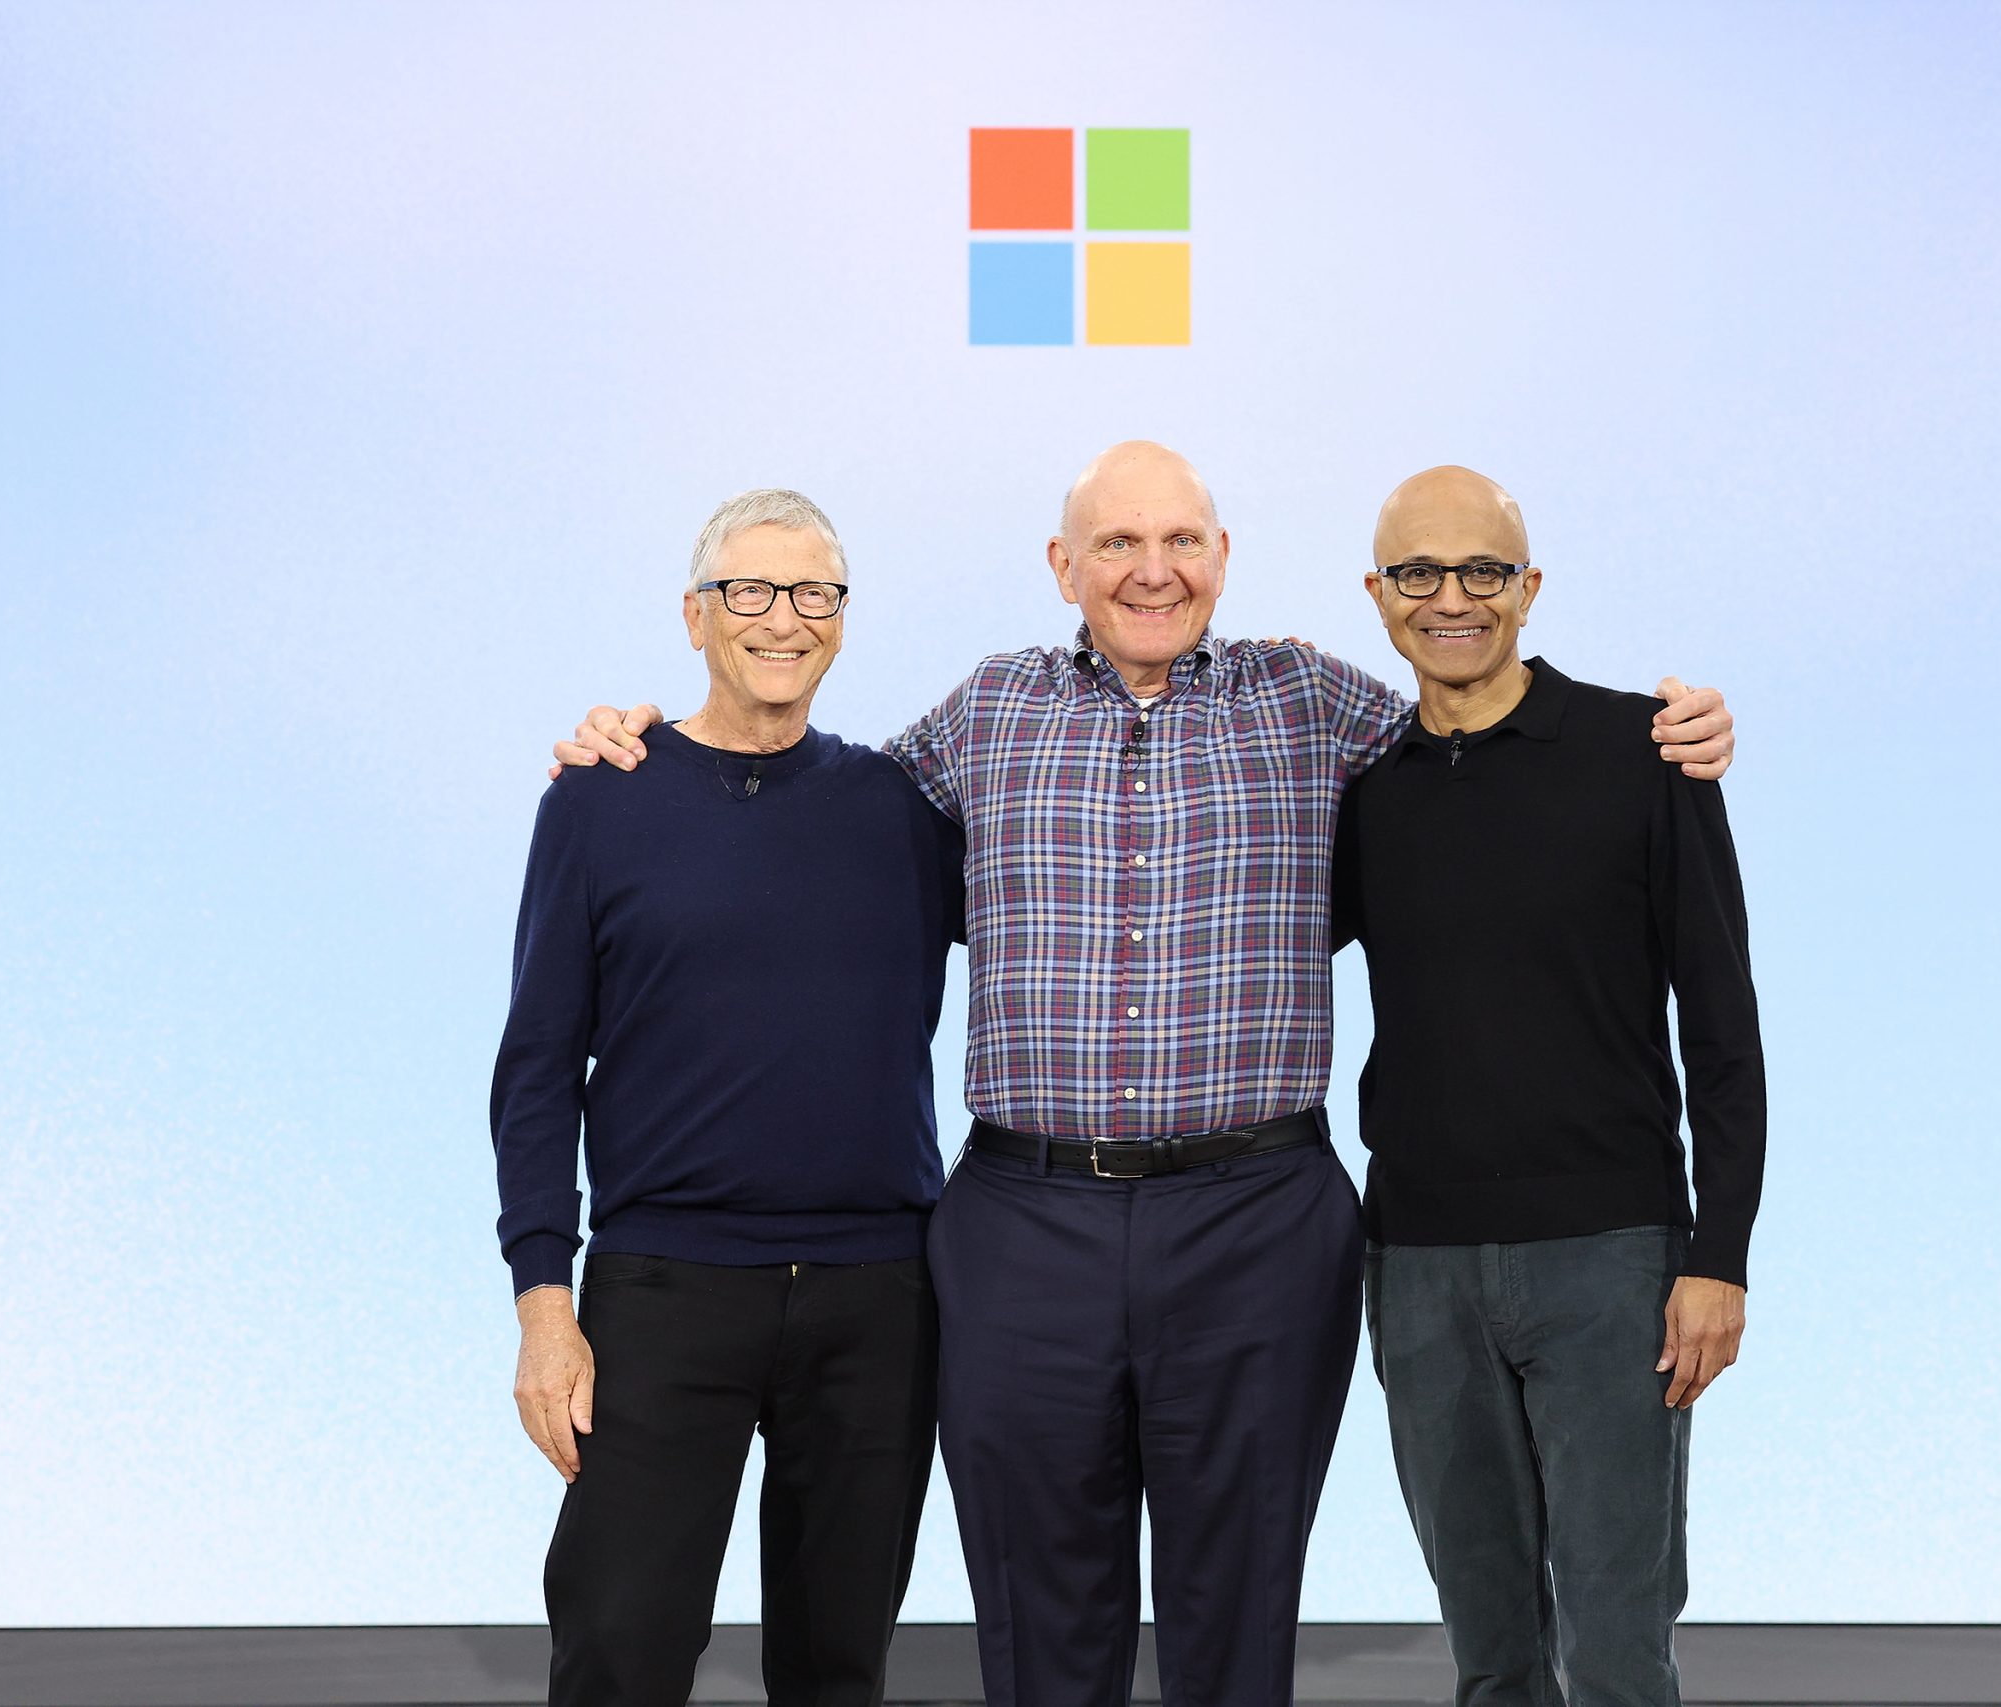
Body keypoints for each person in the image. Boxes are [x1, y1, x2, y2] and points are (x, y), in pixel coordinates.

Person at [553, 442, 1738, 1707]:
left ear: (1223, 561)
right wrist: (655, 749)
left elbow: (1486, 735)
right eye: (1116, 543)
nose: (1152, 570)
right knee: (1040, 1602)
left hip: (1257, 1219)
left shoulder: (1314, 702)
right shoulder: (987, 710)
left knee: (1236, 1608)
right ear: (1063, 567)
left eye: (1181, 541)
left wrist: (1669, 734)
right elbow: (806, 798)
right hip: (1025, 1224)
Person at [492, 490, 964, 1707]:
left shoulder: (905, 811)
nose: (782, 619)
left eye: (813, 594)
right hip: (665, 1294)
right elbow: (537, 1068)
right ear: (696, 617)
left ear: (843, 623)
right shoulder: (600, 800)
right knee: (619, 1653)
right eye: (749, 591)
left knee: (837, 1667)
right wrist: (546, 1303)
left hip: (878, 1297)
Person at [1335, 467, 1764, 1707]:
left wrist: (1717, 1253)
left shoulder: (1642, 754)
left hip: (1610, 1262)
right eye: (1419, 573)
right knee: (1490, 1653)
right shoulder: (1360, 791)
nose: (1451, 598)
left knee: (1619, 1648)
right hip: (1416, 1266)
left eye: (1482, 571)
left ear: (1529, 589)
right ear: (1379, 595)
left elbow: (1723, 1027)